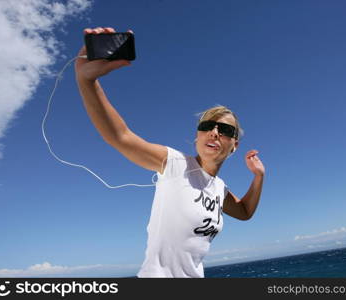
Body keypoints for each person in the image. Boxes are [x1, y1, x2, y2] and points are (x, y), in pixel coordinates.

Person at [75, 27, 266, 278]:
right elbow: (120, 136)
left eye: (226, 130)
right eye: (207, 126)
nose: (215, 132)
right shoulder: (176, 164)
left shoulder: (219, 188)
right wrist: (87, 82)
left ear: (234, 145)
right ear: (197, 136)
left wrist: (258, 177)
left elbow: (243, 212)